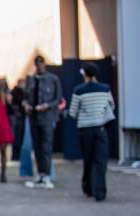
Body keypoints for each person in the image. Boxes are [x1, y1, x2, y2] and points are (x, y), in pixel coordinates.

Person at [68, 62, 115, 202]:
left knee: (88, 159)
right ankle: (100, 192)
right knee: (101, 161)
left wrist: (84, 115)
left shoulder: (79, 90)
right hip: (101, 129)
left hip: (85, 130)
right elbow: (111, 105)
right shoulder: (105, 89)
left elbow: (72, 112)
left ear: (85, 74)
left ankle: (88, 188)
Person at [22, 55, 62, 189]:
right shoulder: (31, 80)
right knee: (37, 148)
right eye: (37, 63)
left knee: (47, 147)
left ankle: (47, 175)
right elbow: (25, 97)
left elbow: (58, 99)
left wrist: (46, 106)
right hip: (34, 118)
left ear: (45, 64)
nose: (39, 66)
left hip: (47, 118)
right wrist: (26, 105)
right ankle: (39, 174)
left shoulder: (53, 79)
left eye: (41, 63)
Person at [10, 79, 26, 160]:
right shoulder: (16, 92)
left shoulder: (17, 92)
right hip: (18, 117)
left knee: (19, 137)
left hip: (19, 117)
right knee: (17, 137)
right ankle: (16, 156)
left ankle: (17, 155)